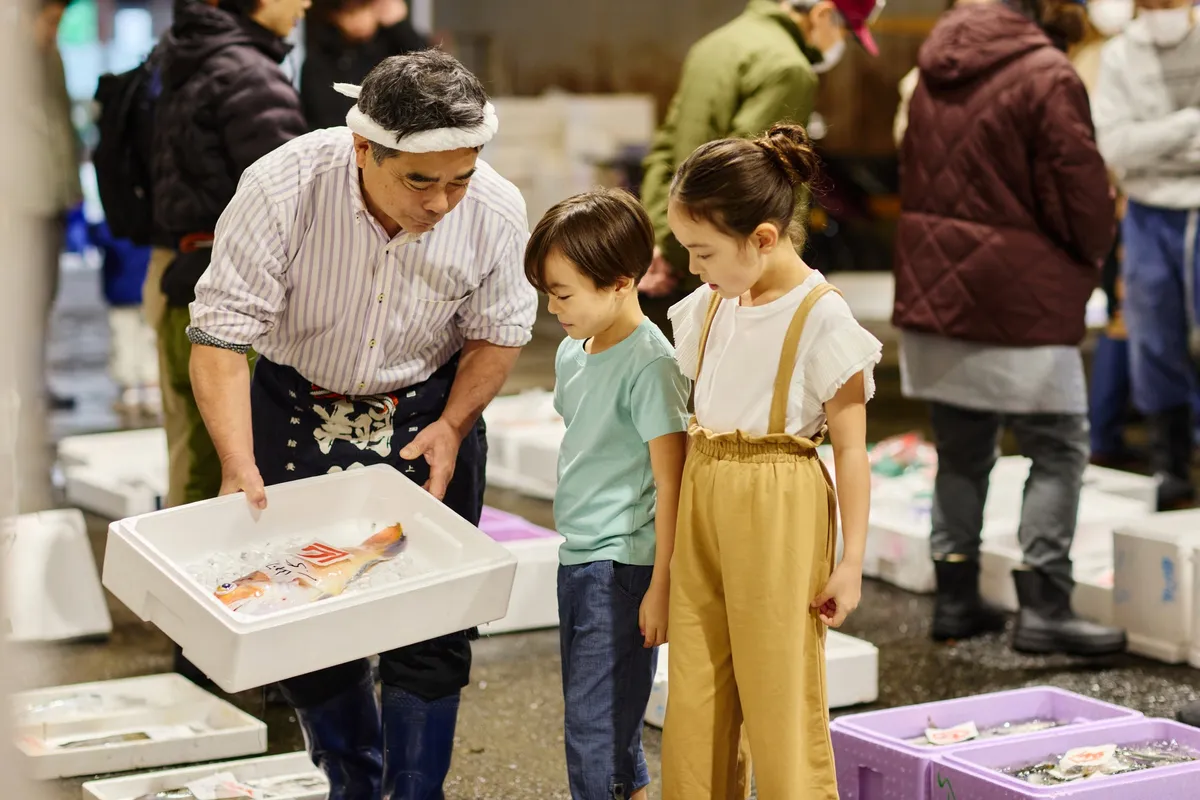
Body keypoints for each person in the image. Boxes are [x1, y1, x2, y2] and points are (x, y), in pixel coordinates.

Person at [188, 51, 537, 798]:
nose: (443, 203)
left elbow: (499, 331)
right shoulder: (283, 187)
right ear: (363, 148)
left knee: (433, 620)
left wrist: (454, 422)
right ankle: (357, 783)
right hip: (294, 402)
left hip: (425, 409)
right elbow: (220, 335)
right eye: (421, 180)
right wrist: (235, 459)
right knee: (305, 611)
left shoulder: (497, 208)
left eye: (460, 178)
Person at [893, 0, 1128, 655]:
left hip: (940, 290)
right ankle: (1046, 605)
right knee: (1058, 446)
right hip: (1017, 298)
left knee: (964, 450)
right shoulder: (1049, 74)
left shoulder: (935, 63)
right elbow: (1081, 196)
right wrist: (1092, 253)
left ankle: (957, 598)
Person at [662, 124, 880, 800]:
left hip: (779, 501)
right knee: (694, 689)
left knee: (779, 689)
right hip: (706, 487)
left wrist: (850, 561)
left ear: (761, 237)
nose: (694, 268)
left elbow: (850, 450)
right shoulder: (710, 305)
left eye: (703, 252)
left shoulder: (823, 319)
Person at [152, 0, 308, 685]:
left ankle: (193, 648)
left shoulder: (179, 62)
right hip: (234, 301)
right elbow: (293, 205)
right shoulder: (251, 77)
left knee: (192, 467)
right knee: (247, 474)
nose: (303, 2)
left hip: (178, 276)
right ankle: (233, 650)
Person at [523, 190, 689, 800]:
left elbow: (673, 482)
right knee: (606, 721)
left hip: (623, 567)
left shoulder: (653, 366)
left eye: (563, 293)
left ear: (622, 283)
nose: (551, 306)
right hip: (579, 556)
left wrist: (662, 586)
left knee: (593, 729)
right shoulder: (574, 350)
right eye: (548, 290)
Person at [638, 0, 883, 310]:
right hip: (726, 269)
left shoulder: (714, 44)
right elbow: (751, 183)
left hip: (682, 250)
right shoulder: (789, 69)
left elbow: (664, 147)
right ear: (822, 14)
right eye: (846, 32)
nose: (841, 44)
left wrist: (665, 241)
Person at [1092, 0, 1200, 510]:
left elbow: (1136, 142)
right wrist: (1188, 125)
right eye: (1150, 3)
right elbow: (1116, 147)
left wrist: (1151, 138)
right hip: (1147, 214)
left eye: (1170, 2)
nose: (1161, 10)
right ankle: (1171, 465)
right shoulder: (1120, 56)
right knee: (1153, 343)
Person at [32, 0, 82, 415]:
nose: (54, 30)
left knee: (43, 298)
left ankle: (34, 383)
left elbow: (62, 124)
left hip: (51, 200)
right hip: (17, 202)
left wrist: (73, 186)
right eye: (50, 21)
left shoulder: (55, 58)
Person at [301, 0, 428, 129]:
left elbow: (428, 69)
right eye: (349, 11)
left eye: (363, 8)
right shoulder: (320, 58)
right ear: (336, 16)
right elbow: (317, 113)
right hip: (338, 140)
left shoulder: (394, 48)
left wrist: (400, 26)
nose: (357, 18)